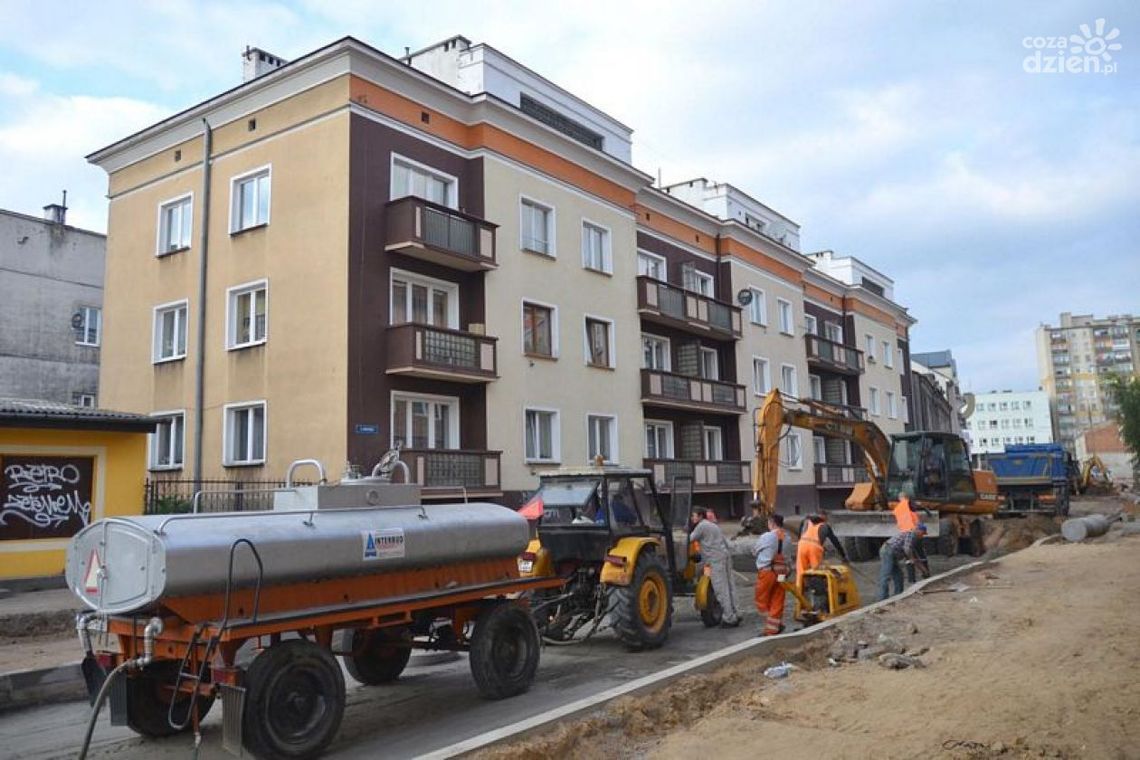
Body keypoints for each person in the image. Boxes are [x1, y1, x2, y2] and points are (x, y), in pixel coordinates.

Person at [689, 509, 740, 628]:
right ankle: (737, 613)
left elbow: (689, 539)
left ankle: (729, 618)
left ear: (700, 516)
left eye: (693, 516)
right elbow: (724, 541)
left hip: (715, 559)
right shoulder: (713, 525)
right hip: (724, 556)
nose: (692, 518)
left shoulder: (701, 526)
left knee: (720, 589)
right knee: (730, 586)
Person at [754, 513, 789, 636]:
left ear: (772, 523)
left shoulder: (767, 536)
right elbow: (789, 557)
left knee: (761, 600)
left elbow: (755, 550)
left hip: (767, 571)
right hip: (782, 573)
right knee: (778, 598)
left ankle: (772, 625)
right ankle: (773, 627)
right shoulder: (788, 537)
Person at [878, 522, 930, 600]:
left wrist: (924, 571)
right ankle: (882, 598)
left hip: (893, 554)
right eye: (922, 534)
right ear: (918, 530)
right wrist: (911, 558)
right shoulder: (911, 534)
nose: (922, 536)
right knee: (886, 575)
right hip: (888, 551)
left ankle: (898, 596)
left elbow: (915, 558)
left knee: (899, 575)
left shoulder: (913, 540)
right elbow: (907, 549)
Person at [795, 514, 849, 588]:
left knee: (801, 570)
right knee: (817, 571)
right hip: (815, 548)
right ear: (825, 518)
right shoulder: (825, 526)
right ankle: (817, 592)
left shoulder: (806, 521)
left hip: (802, 545)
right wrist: (843, 556)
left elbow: (800, 535)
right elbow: (835, 541)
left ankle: (800, 590)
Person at [892, 491, 928, 583]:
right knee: (919, 553)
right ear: (906, 497)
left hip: (906, 532)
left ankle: (912, 579)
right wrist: (921, 505)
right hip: (914, 532)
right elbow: (915, 506)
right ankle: (926, 574)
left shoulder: (897, 508)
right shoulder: (906, 503)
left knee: (909, 555)